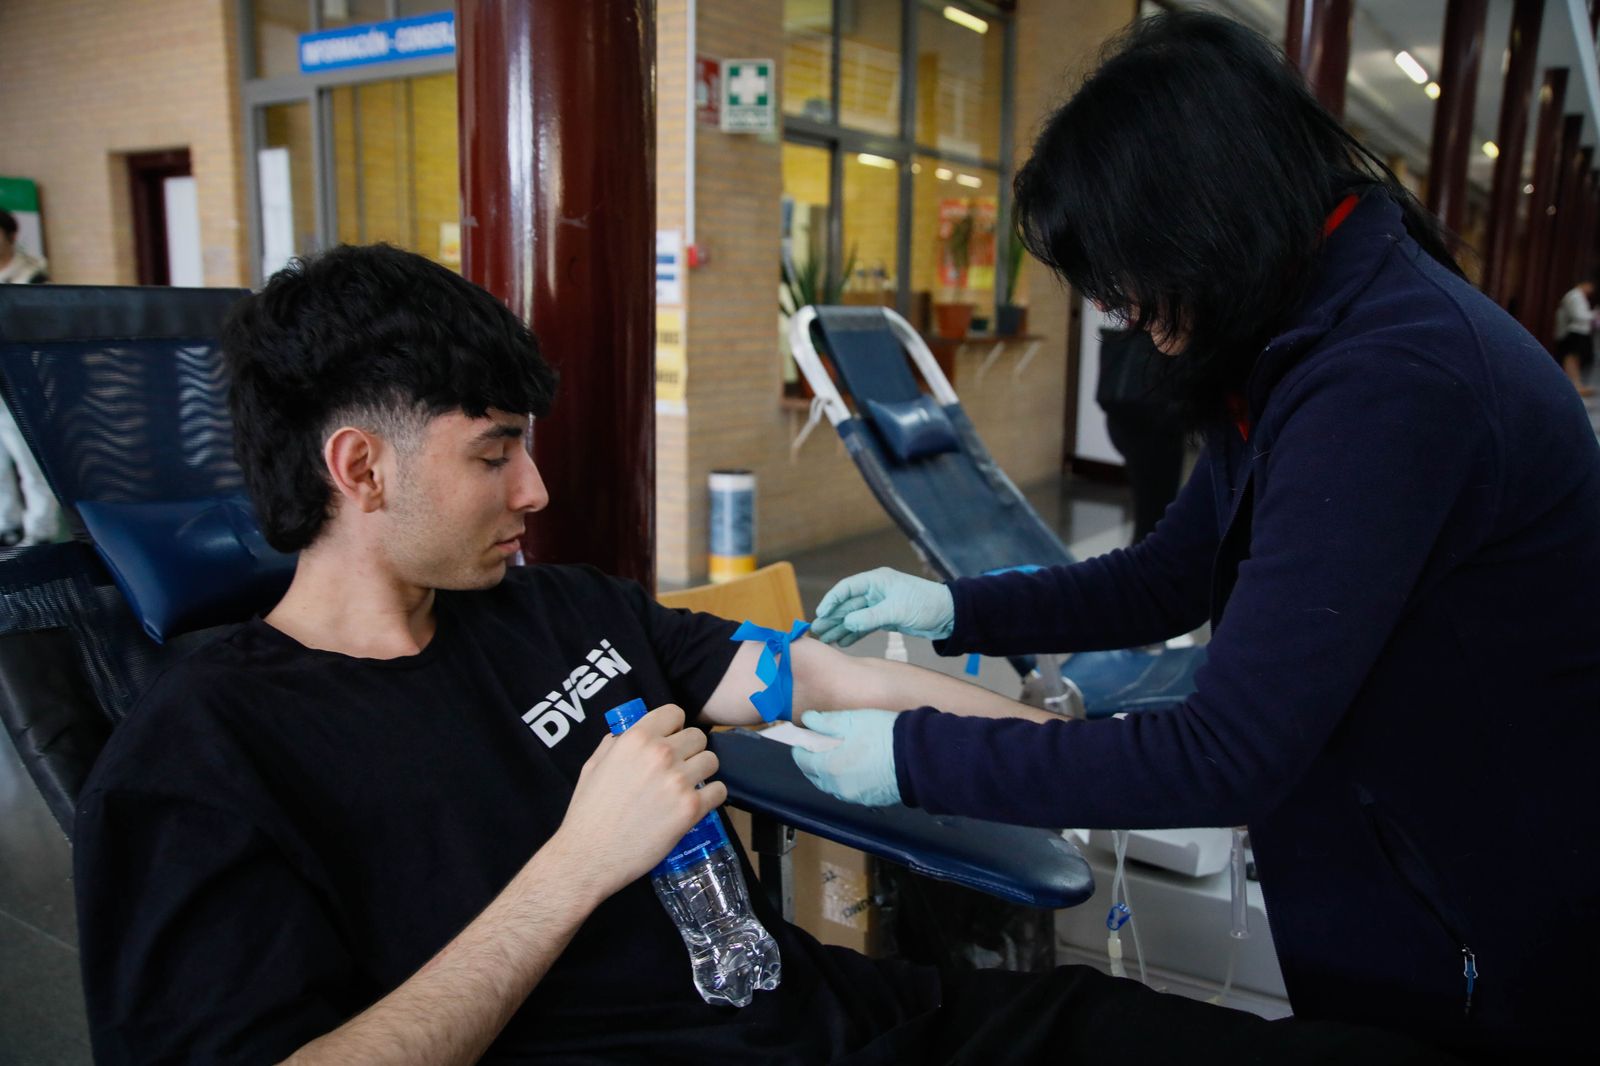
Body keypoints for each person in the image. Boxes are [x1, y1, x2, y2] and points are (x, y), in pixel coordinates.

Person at [68, 244, 1457, 1066]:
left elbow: (818, 676)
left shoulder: (553, 612)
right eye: (495, 454)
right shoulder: (206, 754)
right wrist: (575, 862)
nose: (536, 490)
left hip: (846, 1022)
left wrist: (1071, 748)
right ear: (360, 467)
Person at [800, 12, 1599, 1063]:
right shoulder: (1292, 332)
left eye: (1124, 279)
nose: (1120, 314)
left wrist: (916, 755)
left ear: (1203, 223)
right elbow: (1168, 576)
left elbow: (1227, 752)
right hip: (1380, 849)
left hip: (1477, 897)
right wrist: (958, 609)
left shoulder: (1386, 382)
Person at [0, 207, 61, 547]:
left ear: (10, 236)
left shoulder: (33, 279)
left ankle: (40, 531)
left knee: (31, 463)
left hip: (20, 386)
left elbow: (44, 336)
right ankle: (5, 523)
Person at [1096, 326, 1185, 542]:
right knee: (1154, 510)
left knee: (1151, 508)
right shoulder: (1160, 335)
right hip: (1148, 419)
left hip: (1136, 415)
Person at [1553, 273, 1596, 396]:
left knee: (1575, 358)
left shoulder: (1577, 295)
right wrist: (1594, 315)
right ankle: (1574, 384)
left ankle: (1576, 384)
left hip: (1576, 332)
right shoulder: (1575, 295)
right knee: (1571, 357)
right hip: (1574, 332)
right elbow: (1578, 315)